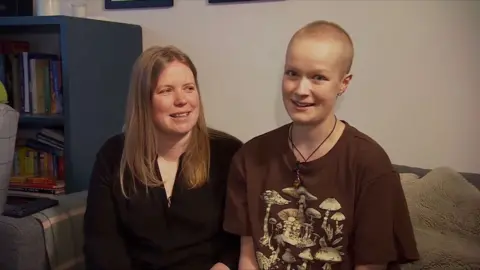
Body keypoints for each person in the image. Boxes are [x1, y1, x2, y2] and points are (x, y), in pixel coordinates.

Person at [223, 20, 420, 270]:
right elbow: (248, 258)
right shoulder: (249, 157)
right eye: (292, 73)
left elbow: (371, 265)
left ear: (344, 83)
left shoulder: (370, 164)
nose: (301, 90)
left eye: (318, 78)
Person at [84, 45, 242, 270]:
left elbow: (243, 236)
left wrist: (225, 265)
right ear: (144, 101)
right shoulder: (113, 155)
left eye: (189, 88)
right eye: (166, 90)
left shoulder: (228, 153)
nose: (182, 100)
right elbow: (102, 244)